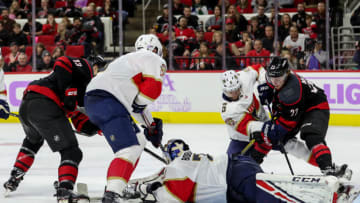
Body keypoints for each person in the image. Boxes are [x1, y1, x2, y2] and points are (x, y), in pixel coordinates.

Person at [3, 55, 106, 202]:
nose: (96, 72)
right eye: (97, 68)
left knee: (33, 140)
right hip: (45, 103)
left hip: (27, 105)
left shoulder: (79, 89)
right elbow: (62, 61)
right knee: (72, 152)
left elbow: (81, 123)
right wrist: (68, 91)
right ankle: (65, 190)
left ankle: (15, 175)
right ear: (94, 65)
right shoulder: (84, 68)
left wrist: (99, 127)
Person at [122, 139, 359, 203]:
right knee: (278, 189)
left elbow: (165, 191)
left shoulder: (172, 169)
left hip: (231, 178)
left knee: (276, 196)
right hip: (235, 170)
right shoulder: (186, 160)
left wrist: (136, 190)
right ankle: (329, 190)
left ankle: (331, 192)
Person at [84, 34, 167, 203]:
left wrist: (150, 126)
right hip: (108, 102)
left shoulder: (127, 61)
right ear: (157, 49)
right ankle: (113, 194)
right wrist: (152, 126)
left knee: (139, 140)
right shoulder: (153, 58)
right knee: (128, 149)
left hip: (98, 101)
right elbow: (152, 89)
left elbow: (135, 105)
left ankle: (118, 186)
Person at [253, 57, 352, 180]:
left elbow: (285, 124)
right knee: (280, 139)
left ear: (287, 74)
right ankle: (251, 165)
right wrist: (266, 90)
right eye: (272, 78)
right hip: (298, 107)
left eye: (278, 79)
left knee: (311, 136)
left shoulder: (290, 92)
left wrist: (268, 132)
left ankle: (328, 170)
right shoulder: (274, 77)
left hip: (315, 106)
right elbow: (262, 73)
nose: (275, 82)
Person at [220, 67, 269, 157]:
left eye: (237, 89)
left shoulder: (244, 76)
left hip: (263, 120)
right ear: (225, 90)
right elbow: (246, 126)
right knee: (232, 165)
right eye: (231, 92)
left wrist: (264, 85)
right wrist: (266, 128)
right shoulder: (227, 111)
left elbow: (258, 68)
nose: (234, 94)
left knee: (287, 142)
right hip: (242, 138)